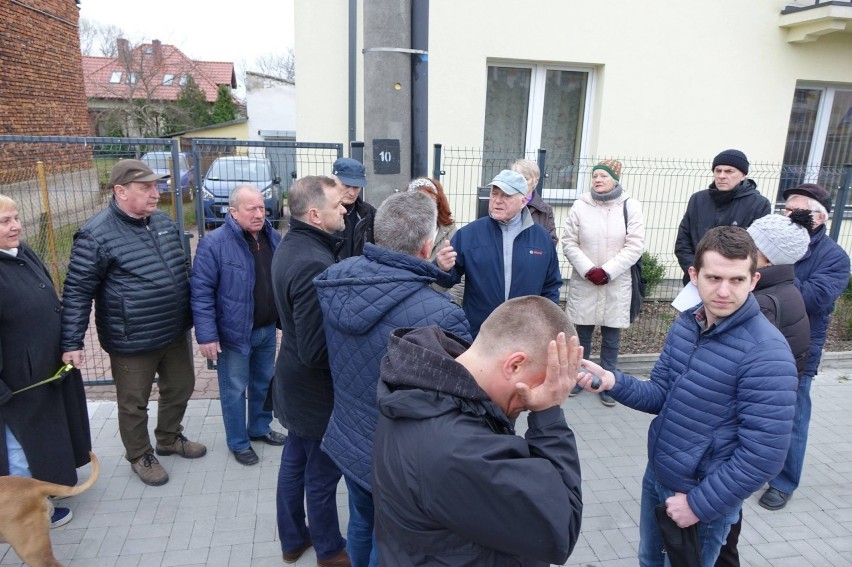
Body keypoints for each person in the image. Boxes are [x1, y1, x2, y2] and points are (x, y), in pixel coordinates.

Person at [576, 226, 798, 567]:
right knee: (649, 561)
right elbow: (660, 395)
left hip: (701, 497)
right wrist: (613, 382)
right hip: (659, 476)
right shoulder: (686, 325)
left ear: (754, 280)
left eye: (736, 280)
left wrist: (698, 505)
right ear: (694, 275)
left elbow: (763, 455)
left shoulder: (767, 352)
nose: (724, 291)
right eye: (713, 278)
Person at [315, 191, 472, 566]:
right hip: (399, 459)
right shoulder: (442, 315)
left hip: (349, 437)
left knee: (360, 523)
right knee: (388, 543)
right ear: (426, 246)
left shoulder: (335, 281)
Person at [372, 296, 583, 566]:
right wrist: (549, 414)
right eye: (543, 382)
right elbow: (560, 529)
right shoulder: (460, 449)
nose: (538, 398)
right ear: (514, 365)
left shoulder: (426, 386)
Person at [61, 159, 205, 487]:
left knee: (181, 387)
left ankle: (168, 438)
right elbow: (77, 291)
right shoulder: (95, 234)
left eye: (156, 186)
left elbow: (183, 270)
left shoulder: (163, 223)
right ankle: (140, 454)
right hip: (132, 338)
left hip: (173, 330)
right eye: (146, 188)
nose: (156, 194)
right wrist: (72, 341)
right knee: (133, 402)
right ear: (121, 191)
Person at [715, 212, 811, 567]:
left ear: (765, 257)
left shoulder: (764, 303)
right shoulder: (785, 291)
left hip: (735, 427)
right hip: (748, 419)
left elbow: (730, 365)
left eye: (750, 244)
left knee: (721, 529)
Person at [270, 175, 350, 567]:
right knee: (321, 475)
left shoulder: (292, 245)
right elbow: (318, 349)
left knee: (295, 461)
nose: (345, 209)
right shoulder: (313, 262)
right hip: (314, 392)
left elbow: (292, 324)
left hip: (293, 380)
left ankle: (292, 539)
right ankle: (330, 550)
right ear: (315, 215)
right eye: (338, 206)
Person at [758, 183, 850, 512]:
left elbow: (813, 298)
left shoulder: (835, 258)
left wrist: (779, 265)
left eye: (802, 211)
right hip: (756, 344)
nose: (791, 216)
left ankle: (783, 483)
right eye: (788, 209)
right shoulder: (766, 244)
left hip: (798, 351)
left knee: (792, 419)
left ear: (821, 218)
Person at [0, 194, 91, 528]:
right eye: (5, 221)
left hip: (43, 368)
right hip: (16, 383)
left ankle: (47, 489)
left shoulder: (20, 252)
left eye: (16, 217)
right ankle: (27, 517)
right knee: (19, 446)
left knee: (46, 437)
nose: (16, 226)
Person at [190, 185, 286, 467]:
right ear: (233, 212)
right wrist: (206, 336)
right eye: (251, 209)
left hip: (267, 330)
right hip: (233, 335)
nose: (259, 214)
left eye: (262, 208)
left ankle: (259, 428)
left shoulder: (273, 237)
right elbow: (202, 293)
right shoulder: (214, 244)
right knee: (233, 389)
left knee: (263, 382)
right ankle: (238, 442)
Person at [437, 169, 562, 337]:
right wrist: (441, 267)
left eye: (506, 196)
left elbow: (551, 287)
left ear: (523, 201)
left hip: (526, 334)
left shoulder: (541, 239)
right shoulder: (469, 234)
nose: (497, 201)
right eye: (494, 194)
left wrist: (546, 326)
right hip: (481, 333)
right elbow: (447, 279)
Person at [561, 159, 644, 407]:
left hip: (616, 282)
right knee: (581, 334)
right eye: (595, 175)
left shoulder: (630, 207)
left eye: (603, 176)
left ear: (615, 179)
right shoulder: (580, 206)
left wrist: (607, 271)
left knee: (611, 336)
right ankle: (579, 377)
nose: (597, 179)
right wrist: (589, 270)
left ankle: (609, 383)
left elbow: (635, 244)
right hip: (585, 280)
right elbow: (569, 242)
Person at [675, 149, 771, 284]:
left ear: (743, 175)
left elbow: (758, 250)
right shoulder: (698, 199)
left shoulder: (759, 204)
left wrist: (726, 276)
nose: (722, 175)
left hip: (733, 283)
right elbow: (683, 242)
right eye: (718, 170)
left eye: (729, 171)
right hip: (696, 280)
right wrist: (697, 272)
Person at [405, 176, 464, 302]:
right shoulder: (400, 231)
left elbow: (462, 276)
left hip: (442, 304)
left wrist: (448, 303)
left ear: (438, 202)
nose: (424, 206)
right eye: (418, 200)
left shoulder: (451, 232)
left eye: (430, 200)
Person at [332, 157, 376, 259]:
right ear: (333, 181)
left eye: (356, 187)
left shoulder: (369, 213)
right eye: (347, 185)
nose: (352, 193)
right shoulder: (320, 212)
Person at [511, 158, 557, 246]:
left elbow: (551, 241)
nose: (520, 182)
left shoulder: (545, 210)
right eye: (516, 177)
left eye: (525, 178)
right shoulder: (504, 203)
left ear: (535, 181)